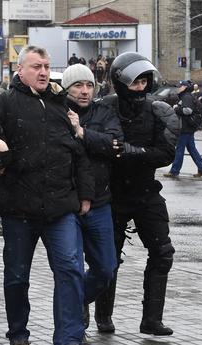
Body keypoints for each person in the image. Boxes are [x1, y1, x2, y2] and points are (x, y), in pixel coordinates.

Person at [0, 45, 95, 345]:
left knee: (70, 269)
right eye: (36, 66)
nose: (43, 72)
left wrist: (85, 195)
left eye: (46, 65)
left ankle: (69, 342)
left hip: (60, 208)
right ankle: (18, 335)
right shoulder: (5, 103)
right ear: (20, 70)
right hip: (19, 209)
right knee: (17, 276)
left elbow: (78, 153)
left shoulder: (61, 106)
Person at [94, 52, 178, 336]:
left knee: (163, 253)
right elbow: (95, 145)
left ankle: (151, 319)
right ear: (120, 83)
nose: (140, 87)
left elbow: (166, 153)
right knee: (108, 258)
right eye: (135, 82)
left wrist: (134, 152)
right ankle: (103, 316)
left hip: (146, 192)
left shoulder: (157, 110)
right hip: (112, 195)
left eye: (144, 81)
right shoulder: (104, 107)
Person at [61, 64, 121, 328]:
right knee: (70, 268)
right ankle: (73, 325)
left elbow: (114, 144)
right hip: (67, 203)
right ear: (67, 88)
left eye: (89, 86)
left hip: (99, 202)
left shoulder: (104, 112)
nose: (84, 91)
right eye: (78, 86)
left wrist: (83, 133)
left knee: (106, 268)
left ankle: (77, 301)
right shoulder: (55, 111)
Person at [163, 80, 202, 178]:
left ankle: (174, 171)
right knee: (192, 149)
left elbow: (188, 111)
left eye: (180, 86)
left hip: (186, 127)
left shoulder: (186, 96)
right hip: (188, 127)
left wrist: (176, 108)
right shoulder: (187, 96)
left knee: (179, 149)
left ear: (184, 87)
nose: (178, 88)